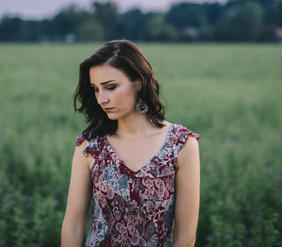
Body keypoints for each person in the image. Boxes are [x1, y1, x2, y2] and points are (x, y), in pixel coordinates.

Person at [61, 40, 200, 247]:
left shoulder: (180, 144)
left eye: (110, 87)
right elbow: (73, 226)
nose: (101, 99)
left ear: (139, 82)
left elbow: (185, 236)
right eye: (96, 89)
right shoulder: (90, 146)